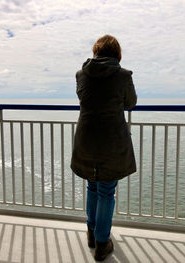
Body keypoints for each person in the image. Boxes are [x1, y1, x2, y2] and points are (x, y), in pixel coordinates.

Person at [71, 34, 137, 261]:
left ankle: (91, 233)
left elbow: (84, 99)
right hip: (111, 141)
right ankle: (101, 242)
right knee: (107, 190)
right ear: (117, 53)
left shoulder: (81, 74)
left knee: (92, 186)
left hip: (86, 139)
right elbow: (131, 103)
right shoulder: (123, 75)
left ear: (96, 51)